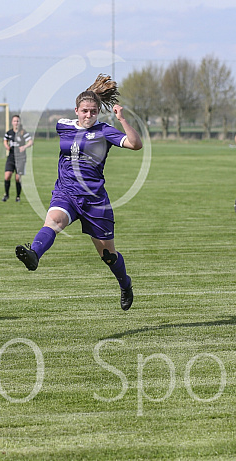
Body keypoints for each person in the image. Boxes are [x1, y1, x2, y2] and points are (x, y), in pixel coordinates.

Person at [14, 74, 142, 311]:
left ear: (98, 112)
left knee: (108, 256)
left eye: (93, 111)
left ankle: (125, 283)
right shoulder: (63, 125)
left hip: (94, 200)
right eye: (84, 111)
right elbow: (81, 108)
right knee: (53, 221)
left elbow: (135, 144)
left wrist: (122, 119)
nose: (89, 115)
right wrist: (92, 92)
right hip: (66, 192)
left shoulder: (105, 131)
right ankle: (34, 255)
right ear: (76, 110)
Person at [2, 115, 33, 202]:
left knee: (17, 178)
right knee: (7, 175)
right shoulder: (9, 133)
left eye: (17, 121)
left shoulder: (23, 132)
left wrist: (24, 146)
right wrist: (6, 146)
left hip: (21, 157)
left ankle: (18, 196)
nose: (16, 123)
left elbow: (31, 142)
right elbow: (5, 141)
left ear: (20, 122)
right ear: (12, 122)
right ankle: (6, 195)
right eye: (15, 121)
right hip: (11, 157)